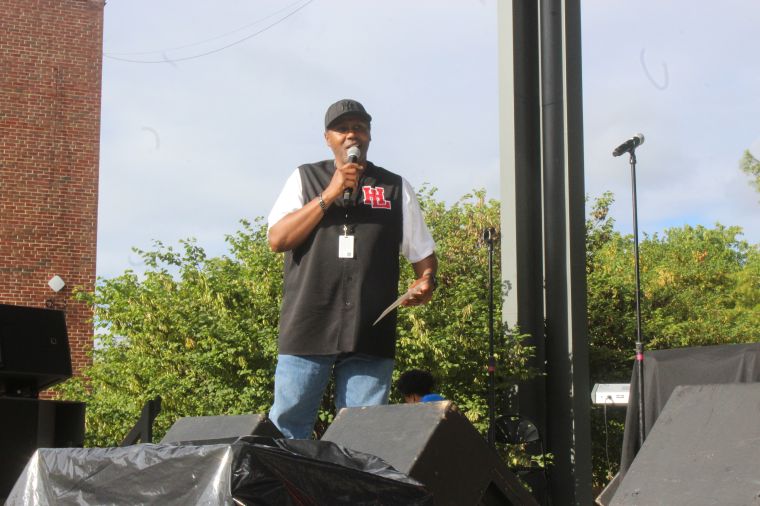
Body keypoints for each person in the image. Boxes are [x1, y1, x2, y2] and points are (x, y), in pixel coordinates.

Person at [266, 99, 438, 439]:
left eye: (359, 127)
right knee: (287, 428)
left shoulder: (394, 187)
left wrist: (426, 282)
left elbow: (424, 256)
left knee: (362, 434)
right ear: (327, 138)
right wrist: (329, 193)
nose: (351, 134)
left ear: (369, 136)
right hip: (308, 325)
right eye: (342, 129)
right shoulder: (304, 178)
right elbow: (277, 239)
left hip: (370, 329)